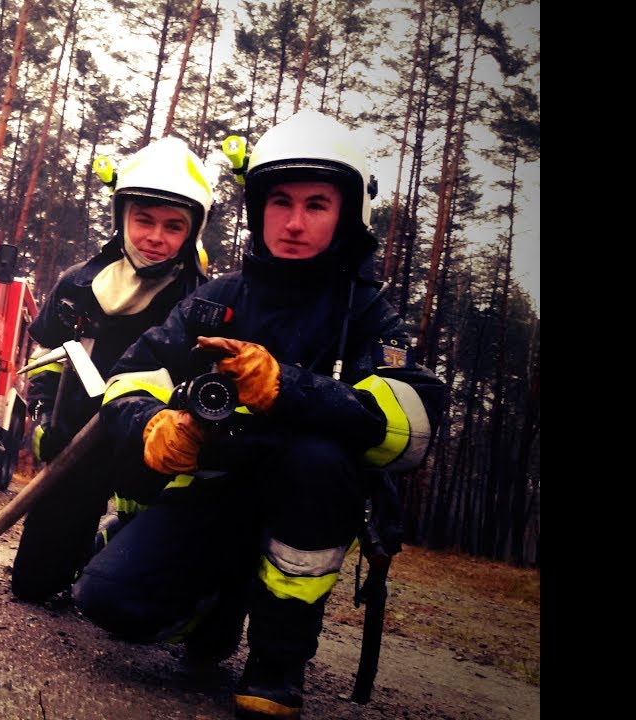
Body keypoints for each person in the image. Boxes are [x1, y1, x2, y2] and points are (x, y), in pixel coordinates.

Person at [72, 110, 446, 719]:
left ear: (349, 214)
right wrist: (151, 424)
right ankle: (214, 610)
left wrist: (289, 389)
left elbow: (411, 433)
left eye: (317, 204)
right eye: (280, 202)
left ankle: (277, 663)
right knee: (110, 602)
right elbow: (129, 379)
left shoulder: (369, 314)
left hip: (308, 499)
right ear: (258, 208)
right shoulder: (219, 298)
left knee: (318, 460)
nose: (294, 223)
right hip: (218, 489)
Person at [11, 136, 216, 604]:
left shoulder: (201, 303)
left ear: (191, 232)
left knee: (123, 599)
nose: (155, 237)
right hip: (75, 445)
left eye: (173, 226)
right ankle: (77, 551)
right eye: (143, 220)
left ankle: (112, 544)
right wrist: (43, 415)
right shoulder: (78, 285)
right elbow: (46, 357)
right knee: (34, 587)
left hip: (150, 455)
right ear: (122, 216)